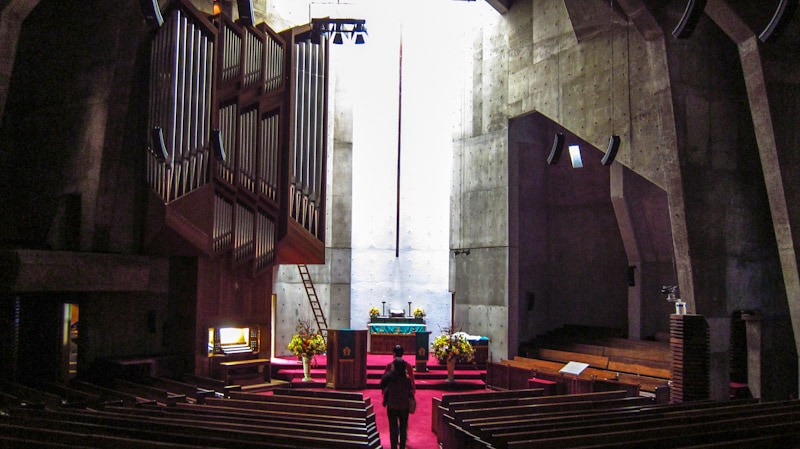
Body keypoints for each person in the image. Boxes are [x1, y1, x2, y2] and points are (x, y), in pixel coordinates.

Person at [381, 358, 415, 449]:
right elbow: (411, 391)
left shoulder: (389, 377)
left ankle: (393, 446)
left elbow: (382, 385)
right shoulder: (407, 379)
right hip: (404, 406)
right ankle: (402, 446)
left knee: (393, 428)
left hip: (392, 406)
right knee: (403, 428)